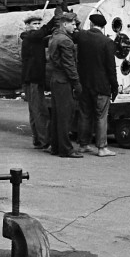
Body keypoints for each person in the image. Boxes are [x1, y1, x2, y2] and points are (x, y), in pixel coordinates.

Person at [73, 14, 118, 157]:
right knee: (101, 116)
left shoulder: (82, 36)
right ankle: (102, 148)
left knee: (85, 115)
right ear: (103, 27)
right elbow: (111, 68)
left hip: (84, 84)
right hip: (101, 86)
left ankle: (83, 145)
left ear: (91, 24)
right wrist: (114, 87)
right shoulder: (107, 42)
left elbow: (73, 28)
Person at [48, 12, 82, 158]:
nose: (75, 27)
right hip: (64, 81)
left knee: (57, 116)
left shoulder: (55, 38)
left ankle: (55, 146)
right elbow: (69, 65)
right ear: (65, 24)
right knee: (65, 116)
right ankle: (65, 149)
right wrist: (76, 83)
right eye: (73, 24)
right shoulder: (66, 41)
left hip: (56, 80)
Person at [20, 13, 52, 149]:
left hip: (32, 79)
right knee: (39, 111)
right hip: (33, 79)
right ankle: (45, 142)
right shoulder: (31, 37)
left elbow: (45, 35)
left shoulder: (34, 38)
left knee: (34, 111)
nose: (37, 26)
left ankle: (37, 140)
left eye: (39, 24)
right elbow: (43, 32)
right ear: (27, 26)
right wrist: (55, 19)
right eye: (35, 24)